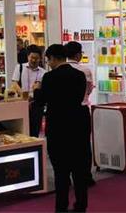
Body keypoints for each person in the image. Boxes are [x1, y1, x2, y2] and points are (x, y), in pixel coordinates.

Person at [34, 44, 88, 212]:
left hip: (58, 126)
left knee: (61, 171)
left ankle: (61, 207)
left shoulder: (49, 77)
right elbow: (80, 97)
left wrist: (36, 90)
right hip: (78, 125)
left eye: (48, 60)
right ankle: (81, 205)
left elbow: (41, 101)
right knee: (79, 170)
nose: (48, 64)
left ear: (52, 58)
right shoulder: (79, 75)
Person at [66, 41, 95, 186]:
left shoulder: (59, 71)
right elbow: (89, 89)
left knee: (67, 144)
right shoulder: (85, 70)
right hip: (82, 110)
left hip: (65, 112)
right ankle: (85, 176)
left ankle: (67, 176)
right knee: (83, 145)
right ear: (78, 54)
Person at [11, 45, 46, 137]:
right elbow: (14, 83)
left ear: (40, 59)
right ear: (28, 57)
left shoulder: (43, 72)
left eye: (36, 58)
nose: (34, 60)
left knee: (35, 129)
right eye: (32, 57)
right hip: (22, 102)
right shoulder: (20, 67)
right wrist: (23, 95)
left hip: (36, 104)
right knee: (21, 128)